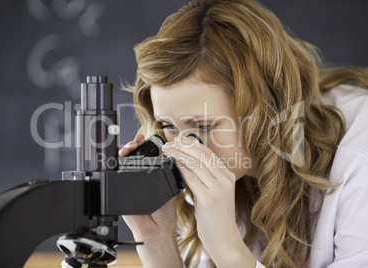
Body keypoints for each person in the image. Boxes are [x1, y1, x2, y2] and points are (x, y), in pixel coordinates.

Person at [118, 0, 368, 267]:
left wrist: (228, 248)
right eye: (168, 126)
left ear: (265, 108)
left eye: (204, 126)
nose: (183, 150)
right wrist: (156, 240)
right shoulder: (226, 167)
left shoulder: (358, 156)